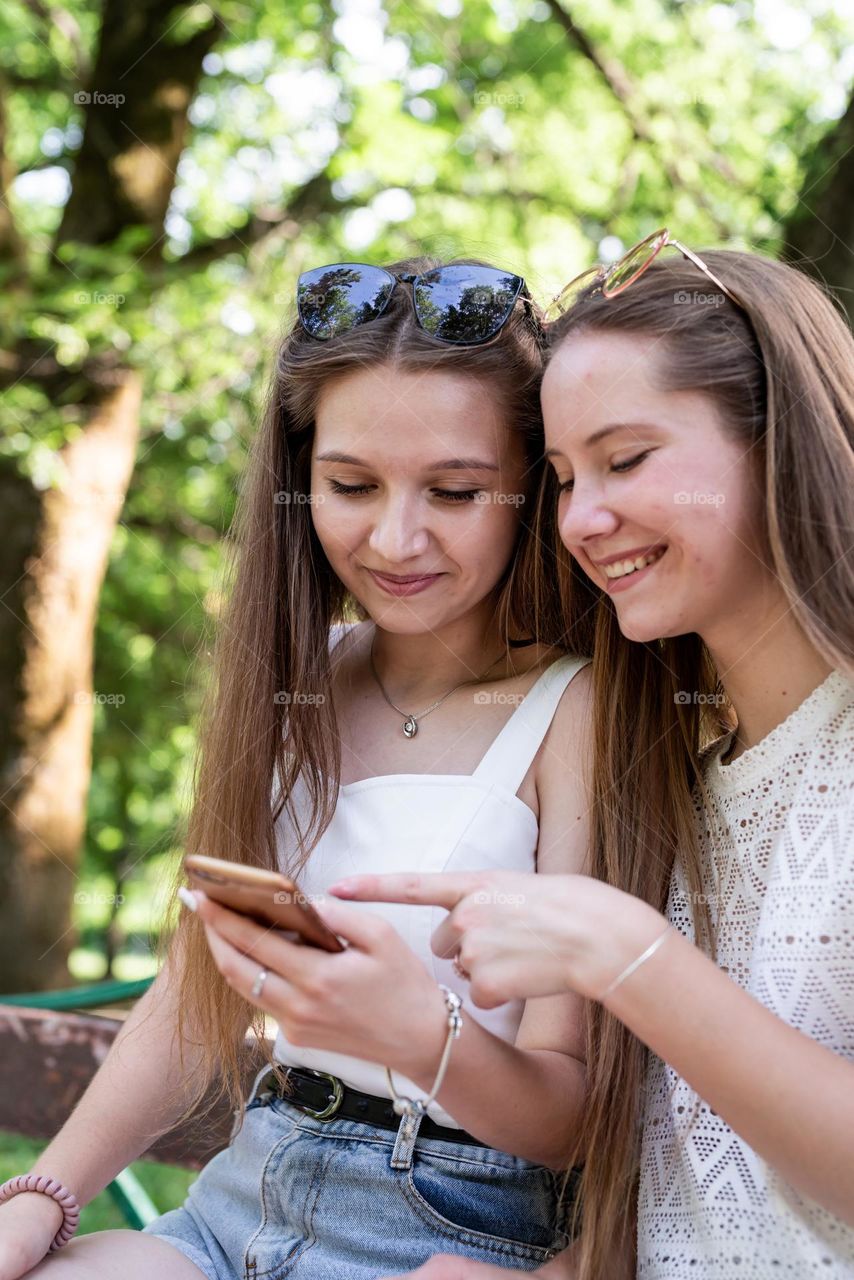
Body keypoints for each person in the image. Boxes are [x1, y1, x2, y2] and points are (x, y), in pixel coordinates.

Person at [0, 259, 595, 1280]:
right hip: (242, 1190)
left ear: (528, 486)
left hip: (448, 1220)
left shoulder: (573, 708)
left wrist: (419, 1028)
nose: (395, 537)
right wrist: (40, 1197)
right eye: (350, 484)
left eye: (453, 489)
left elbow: (567, 1112)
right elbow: (192, 1000)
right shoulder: (296, 680)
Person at [335, 240, 854, 1279]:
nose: (581, 518)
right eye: (564, 478)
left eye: (625, 460)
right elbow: (692, 1195)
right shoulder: (660, 766)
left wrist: (624, 951)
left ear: (776, 443)